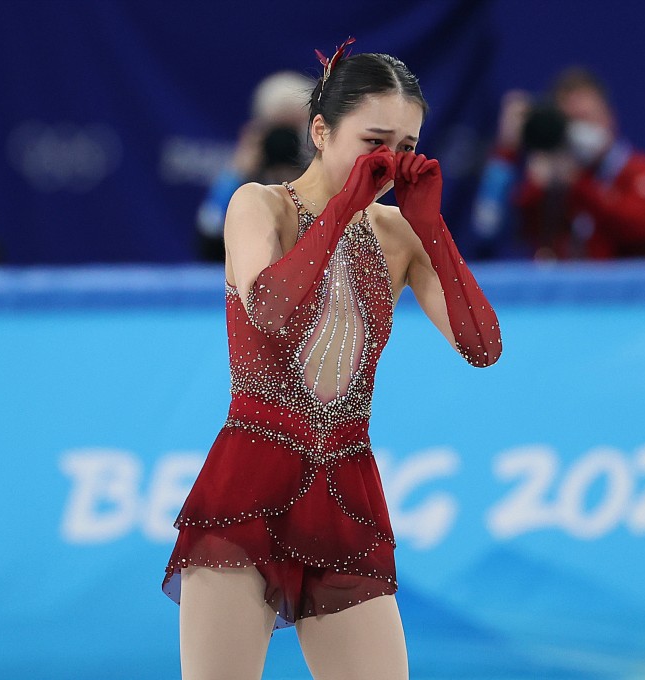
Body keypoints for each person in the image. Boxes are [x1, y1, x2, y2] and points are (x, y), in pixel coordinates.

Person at [163, 39, 502, 680]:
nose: (390, 164)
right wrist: (344, 207)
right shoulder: (257, 206)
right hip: (250, 483)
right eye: (375, 142)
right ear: (320, 130)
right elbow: (272, 311)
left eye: (406, 148)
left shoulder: (398, 235)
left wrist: (432, 228)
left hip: (344, 492)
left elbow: (481, 347)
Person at [470, 67, 645, 260]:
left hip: (628, 295)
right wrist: (507, 151)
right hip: (561, 294)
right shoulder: (547, 183)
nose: (579, 132)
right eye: (571, 123)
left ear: (610, 118)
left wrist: (578, 185)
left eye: (586, 119)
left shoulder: (640, 169)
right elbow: (487, 226)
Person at [196, 70, 313, 262]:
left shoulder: (327, 179)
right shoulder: (244, 187)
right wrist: (234, 174)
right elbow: (209, 242)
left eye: (293, 130)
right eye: (277, 130)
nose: (284, 141)